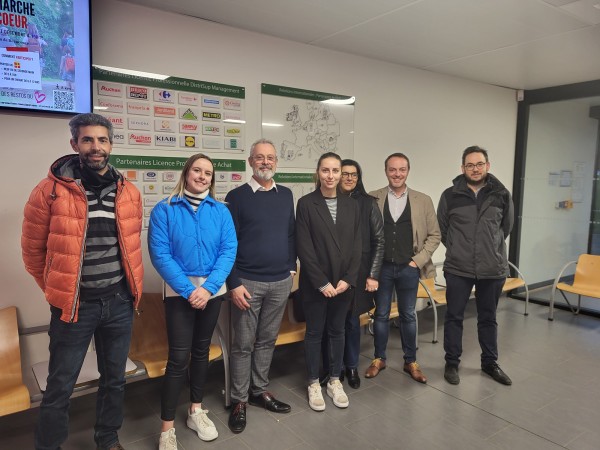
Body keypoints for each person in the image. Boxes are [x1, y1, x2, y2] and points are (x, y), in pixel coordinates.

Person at [21, 113, 144, 450]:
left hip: (118, 303)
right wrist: (55, 291)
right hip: (75, 308)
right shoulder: (49, 191)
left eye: (102, 140)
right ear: (74, 144)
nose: (96, 147)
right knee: (60, 385)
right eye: (88, 140)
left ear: (111, 145)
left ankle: (107, 440)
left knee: (115, 381)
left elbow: (129, 247)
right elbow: (32, 251)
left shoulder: (129, 192)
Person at [148, 153, 237, 449]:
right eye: (197, 170)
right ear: (186, 174)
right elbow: (161, 255)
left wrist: (209, 288)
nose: (202, 176)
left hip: (212, 293)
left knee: (201, 352)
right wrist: (189, 291)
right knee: (177, 359)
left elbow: (228, 250)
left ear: (212, 179)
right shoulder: (165, 209)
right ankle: (166, 428)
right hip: (179, 294)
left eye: (208, 173)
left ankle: (195, 411)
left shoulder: (221, 211)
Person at [225, 139, 296, 432]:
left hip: (280, 281)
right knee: (242, 345)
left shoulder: (286, 194)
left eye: (270, 158)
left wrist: (291, 268)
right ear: (250, 161)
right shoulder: (236, 196)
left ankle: (259, 391)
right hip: (248, 283)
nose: (265, 162)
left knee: (267, 340)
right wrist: (233, 283)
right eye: (260, 158)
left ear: (275, 162)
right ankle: (239, 399)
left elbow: (291, 235)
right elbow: (227, 245)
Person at [437, 145, 514, 386]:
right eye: (469, 165)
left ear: (487, 166)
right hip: (459, 268)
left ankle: (489, 363)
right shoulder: (450, 195)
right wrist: (461, 248)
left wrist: (488, 248)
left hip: (492, 268)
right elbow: (443, 230)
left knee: (488, 318)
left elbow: (506, 228)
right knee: (454, 317)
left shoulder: (501, 194)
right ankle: (451, 362)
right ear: (462, 168)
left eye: (479, 164)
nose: (475, 168)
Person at [366, 153, 440, 384]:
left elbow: (434, 235)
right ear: (386, 170)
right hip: (382, 268)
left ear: (408, 171)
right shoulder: (372, 198)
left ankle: (411, 361)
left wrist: (416, 261)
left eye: (402, 169)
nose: (397, 174)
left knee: (409, 315)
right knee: (381, 314)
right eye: (392, 169)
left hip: (409, 267)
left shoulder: (423, 200)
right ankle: (379, 358)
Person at [296, 152, 361, 411]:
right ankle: (313, 382)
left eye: (336, 171)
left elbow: (358, 246)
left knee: (337, 331)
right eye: (326, 170)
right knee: (314, 333)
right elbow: (304, 247)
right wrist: (322, 282)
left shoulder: (352, 205)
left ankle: (335, 380)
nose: (331, 176)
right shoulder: (305, 203)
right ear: (318, 173)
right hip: (316, 285)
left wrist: (348, 279)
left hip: (343, 285)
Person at [320, 159, 384, 389]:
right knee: (331, 323)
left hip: (358, 273)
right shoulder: (325, 201)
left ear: (359, 178)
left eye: (353, 175)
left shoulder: (368, 204)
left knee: (351, 323)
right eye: (344, 174)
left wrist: (373, 274)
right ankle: (331, 368)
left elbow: (379, 240)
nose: (348, 178)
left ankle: (352, 366)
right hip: (331, 274)